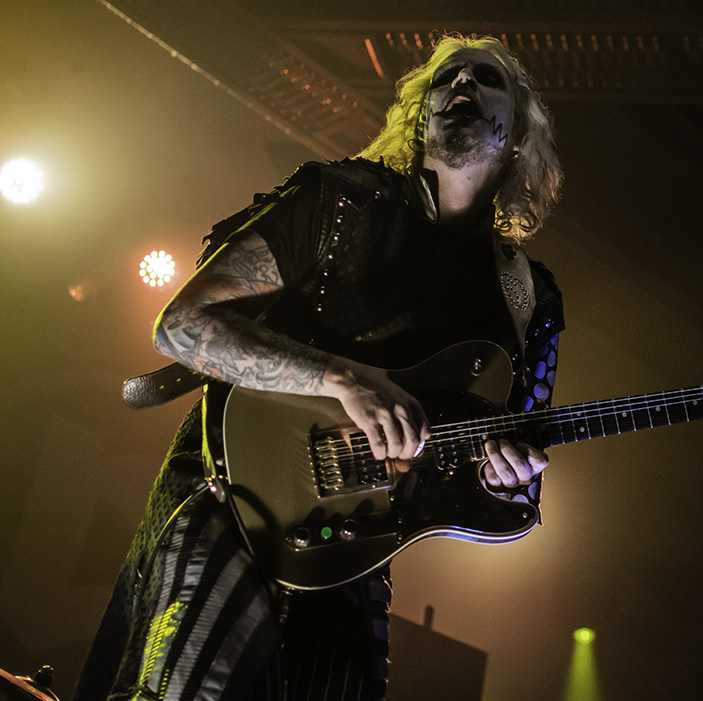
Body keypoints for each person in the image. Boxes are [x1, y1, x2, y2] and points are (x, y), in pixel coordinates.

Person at [73, 34, 564, 701]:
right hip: (234, 500)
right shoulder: (339, 200)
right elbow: (182, 325)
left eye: (486, 79)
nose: (463, 86)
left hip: (358, 549)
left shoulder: (527, 294)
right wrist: (344, 378)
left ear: (518, 136)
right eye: (448, 78)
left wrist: (507, 480)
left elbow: (517, 466)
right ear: (421, 116)